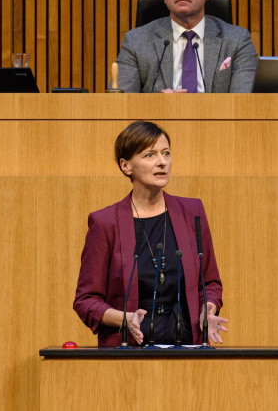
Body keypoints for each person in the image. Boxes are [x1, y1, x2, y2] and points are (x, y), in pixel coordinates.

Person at [73, 120, 228, 346]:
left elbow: (210, 283)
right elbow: (86, 300)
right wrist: (125, 319)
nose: (162, 162)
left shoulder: (192, 212)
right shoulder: (105, 223)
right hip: (128, 355)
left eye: (166, 153)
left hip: (187, 350)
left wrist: (207, 311)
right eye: (150, 155)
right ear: (126, 166)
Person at [116, 0, 258, 93]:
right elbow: (119, 105)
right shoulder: (136, 42)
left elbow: (244, 103)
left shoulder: (238, 41)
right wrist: (159, 107)